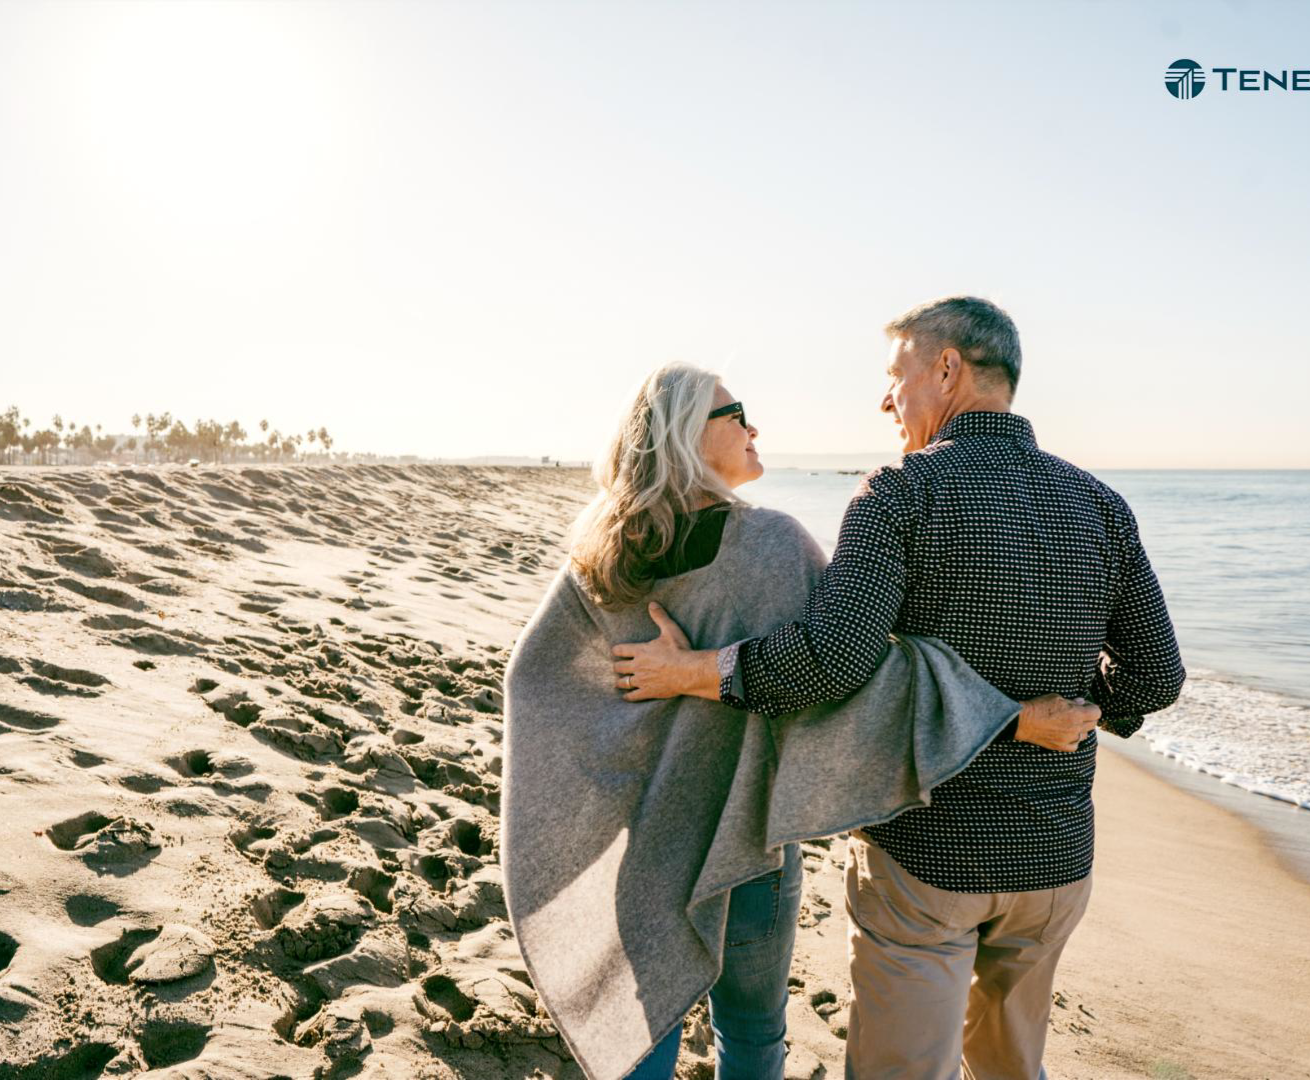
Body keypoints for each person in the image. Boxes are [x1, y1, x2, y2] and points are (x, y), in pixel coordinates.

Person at [612, 298, 1185, 1080]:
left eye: (895, 375)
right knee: (1012, 1068)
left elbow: (831, 662)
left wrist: (697, 671)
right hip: (1054, 854)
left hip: (928, 855)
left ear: (946, 368)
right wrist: (1085, 709)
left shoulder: (899, 493)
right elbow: (1156, 677)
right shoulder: (1099, 505)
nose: (887, 399)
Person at [501, 362, 1100, 1080]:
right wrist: (1010, 719)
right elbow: (859, 676)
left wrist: (622, 757)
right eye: (735, 413)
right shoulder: (771, 544)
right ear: (686, 435)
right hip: (747, 834)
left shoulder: (601, 553)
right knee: (752, 1032)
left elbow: (534, 684)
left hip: (645, 836)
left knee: (642, 1023)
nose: (753, 427)